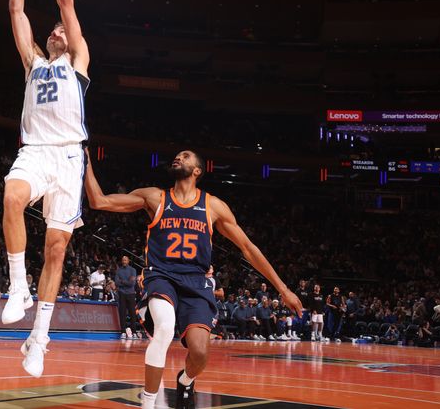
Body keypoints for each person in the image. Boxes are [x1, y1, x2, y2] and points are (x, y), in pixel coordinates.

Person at [85, 149, 302, 409]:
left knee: (200, 353)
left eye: (185, 156)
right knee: (165, 327)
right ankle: (149, 402)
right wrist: (85, 161)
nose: (178, 157)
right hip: (161, 275)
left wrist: (283, 289)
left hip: (197, 282)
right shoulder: (155, 197)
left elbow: (248, 248)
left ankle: (186, 380)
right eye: (176, 156)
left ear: (197, 170)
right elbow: (100, 201)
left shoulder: (213, 206)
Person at [1, 0, 92, 378]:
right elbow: (16, 9)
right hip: (36, 150)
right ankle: (17, 287)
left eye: (60, 29)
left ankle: (39, 338)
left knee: (56, 249)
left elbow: (66, 5)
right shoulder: (33, 63)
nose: (57, 30)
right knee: (12, 197)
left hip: (70, 158)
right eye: (53, 30)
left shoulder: (77, 63)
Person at [116, 255, 140, 339]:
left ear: (128, 261)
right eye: (123, 260)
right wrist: (126, 282)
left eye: (125, 260)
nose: (124, 262)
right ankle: (123, 332)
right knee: (122, 313)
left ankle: (133, 332)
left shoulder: (133, 270)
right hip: (122, 294)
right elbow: (117, 283)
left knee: (132, 314)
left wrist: (122, 281)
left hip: (131, 294)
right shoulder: (118, 271)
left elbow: (132, 283)